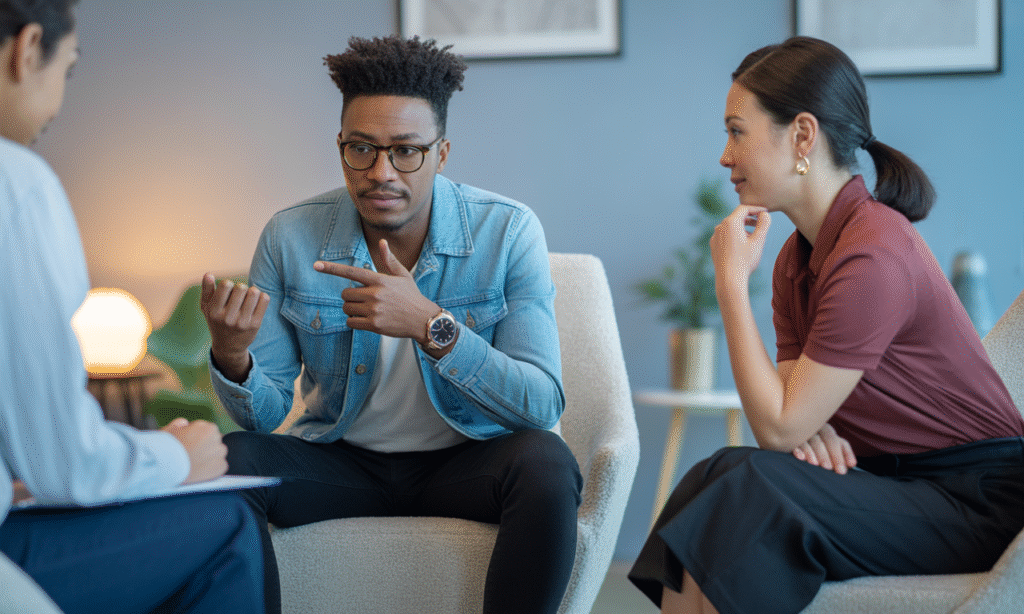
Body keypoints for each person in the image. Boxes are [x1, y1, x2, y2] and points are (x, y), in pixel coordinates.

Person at [629, 36, 1024, 614]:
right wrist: (803, 420)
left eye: (736, 131)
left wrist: (730, 284)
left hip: (976, 500)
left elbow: (782, 427)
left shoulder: (873, 256)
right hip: (889, 478)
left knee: (755, 489)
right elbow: (793, 414)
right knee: (720, 472)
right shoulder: (797, 259)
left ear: (803, 136)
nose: (724, 155)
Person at [200, 35, 583, 614]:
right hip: (343, 458)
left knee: (547, 463)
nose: (381, 172)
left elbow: (540, 405)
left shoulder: (508, 232)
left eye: (406, 150)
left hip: (466, 459)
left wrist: (432, 325)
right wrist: (233, 357)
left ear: (442, 152)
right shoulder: (290, 236)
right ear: (341, 147)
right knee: (232, 460)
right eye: (362, 149)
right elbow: (270, 413)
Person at [0, 2, 265, 612]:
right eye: (65, 71)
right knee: (228, 520)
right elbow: (66, 466)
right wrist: (179, 453)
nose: (54, 107)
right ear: (27, 48)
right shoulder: (16, 183)